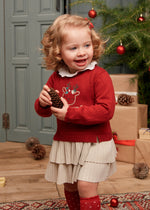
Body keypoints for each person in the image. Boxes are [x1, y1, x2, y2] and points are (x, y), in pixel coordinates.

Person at [34, 14, 117, 210]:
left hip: (96, 141)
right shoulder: (56, 78)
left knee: (85, 185)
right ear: (58, 52)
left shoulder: (100, 76)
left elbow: (106, 110)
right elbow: (43, 112)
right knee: (70, 185)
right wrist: (43, 103)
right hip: (67, 141)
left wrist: (70, 113)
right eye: (73, 48)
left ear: (93, 45)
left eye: (86, 46)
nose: (81, 53)